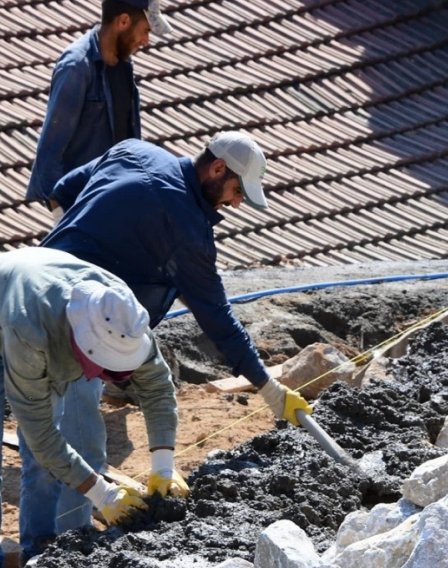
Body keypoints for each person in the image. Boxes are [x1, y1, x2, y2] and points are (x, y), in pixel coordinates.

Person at [39, 131, 312, 505]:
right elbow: (218, 321)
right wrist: (268, 388)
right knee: (82, 443)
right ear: (217, 168)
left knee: (42, 425)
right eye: (236, 192)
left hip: (36, 290)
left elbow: (61, 190)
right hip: (86, 331)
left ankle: (41, 531)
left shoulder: (135, 151)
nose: (235, 205)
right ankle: (69, 540)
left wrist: (72, 243)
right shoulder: (186, 232)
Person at [0, 247, 189, 568]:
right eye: (107, 369)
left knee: (44, 468)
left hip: (35, 315)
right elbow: (41, 433)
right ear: (84, 347)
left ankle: (39, 562)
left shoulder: (122, 314)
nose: (112, 378)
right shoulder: (33, 331)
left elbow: (157, 386)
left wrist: (164, 465)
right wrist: (102, 494)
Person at [25, 0, 171, 218]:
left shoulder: (124, 65)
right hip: (80, 209)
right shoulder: (76, 67)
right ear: (123, 21)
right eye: (145, 30)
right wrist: (61, 217)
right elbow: (50, 152)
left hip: (114, 204)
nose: (146, 41)